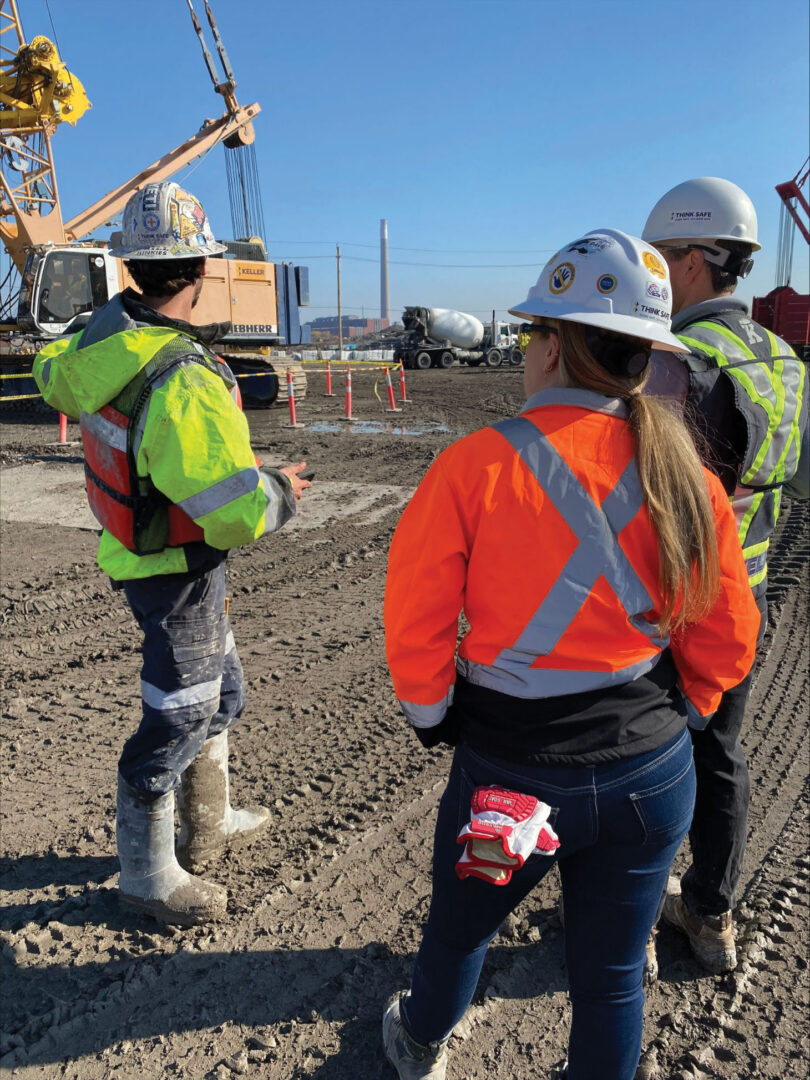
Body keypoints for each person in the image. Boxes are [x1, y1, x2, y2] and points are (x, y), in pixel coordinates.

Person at [381, 229, 761, 1080]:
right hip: (652, 779)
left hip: (508, 782)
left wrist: (432, 715)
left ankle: (416, 1045)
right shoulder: (688, 475)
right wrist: (685, 710)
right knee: (613, 980)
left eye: (530, 333)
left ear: (554, 345)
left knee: (462, 932)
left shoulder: (472, 467)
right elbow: (730, 630)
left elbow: (416, 618)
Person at [33, 181, 311, 927]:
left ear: (128, 271)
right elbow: (232, 513)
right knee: (178, 717)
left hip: (141, 553)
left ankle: (210, 822)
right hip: (176, 570)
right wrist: (279, 488)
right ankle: (147, 872)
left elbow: (49, 370)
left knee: (221, 695)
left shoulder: (98, 346)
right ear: (202, 270)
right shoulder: (185, 380)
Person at [642, 177, 808, 973]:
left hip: (672, 605)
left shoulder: (679, 361)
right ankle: (711, 916)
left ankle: (629, 916)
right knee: (722, 755)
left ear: (698, 262)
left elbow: (639, 500)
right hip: (745, 600)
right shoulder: (784, 358)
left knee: (645, 756)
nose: (654, 276)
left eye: (662, 258)